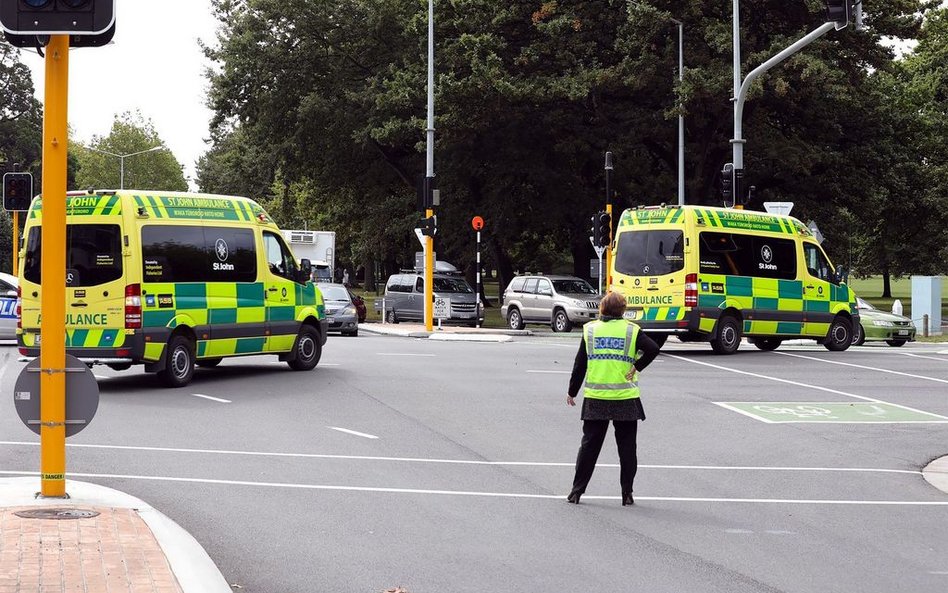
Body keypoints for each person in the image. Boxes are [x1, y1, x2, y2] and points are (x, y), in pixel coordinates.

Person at [565, 291, 660, 506]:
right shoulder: (631, 330)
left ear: (602, 309)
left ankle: (576, 491)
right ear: (623, 310)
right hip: (625, 397)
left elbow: (580, 364)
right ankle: (627, 493)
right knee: (627, 449)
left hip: (596, 398)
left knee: (589, 447)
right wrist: (637, 367)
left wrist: (572, 391)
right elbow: (653, 349)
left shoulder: (590, 330)